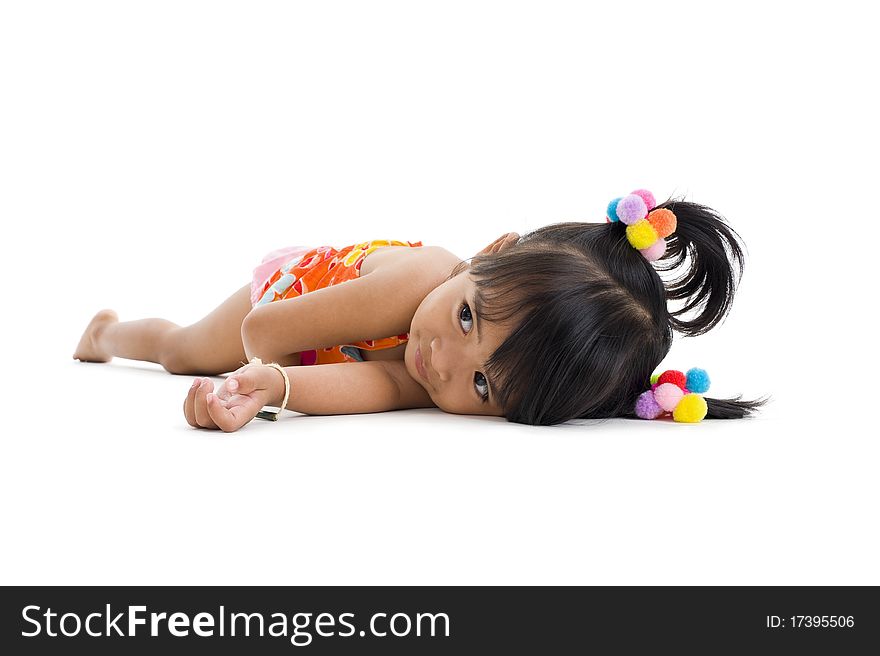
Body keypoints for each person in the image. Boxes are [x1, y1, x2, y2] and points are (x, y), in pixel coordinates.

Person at [73, 190, 764, 430]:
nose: (443, 363)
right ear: (491, 251)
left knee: (223, 367)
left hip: (297, 350)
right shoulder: (428, 275)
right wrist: (256, 365)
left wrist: (267, 391)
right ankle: (107, 332)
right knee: (184, 351)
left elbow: (379, 382)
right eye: (468, 318)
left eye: (485, 385)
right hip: (292, 298)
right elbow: (263, 333)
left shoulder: (437, 380)